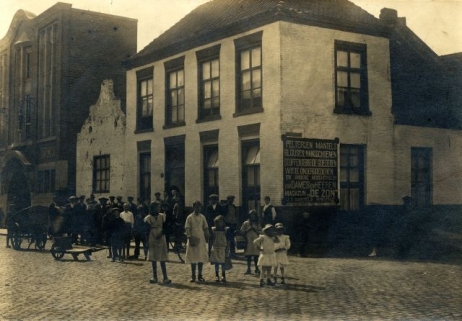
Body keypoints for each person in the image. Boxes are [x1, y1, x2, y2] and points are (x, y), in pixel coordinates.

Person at [144, 202, 171, 284]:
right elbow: (146, 230)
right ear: (153, 208)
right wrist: (146, 241)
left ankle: (165, 277)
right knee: (154, 258)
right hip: (152, 237)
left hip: (161, 236)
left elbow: (166, 227)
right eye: (157, 207)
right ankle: (154, 277)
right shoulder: (148, 218)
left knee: (162, 257)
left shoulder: (162, 216)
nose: (159, 209)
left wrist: (161, 233)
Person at [185, 201, 209, 282]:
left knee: (200, 256)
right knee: (193, 257)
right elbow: (187, 228)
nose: (198, 209)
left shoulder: (202, 217)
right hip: (192, 237)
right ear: (193, 207)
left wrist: (207, 234)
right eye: (196, 207)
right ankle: (193, 276)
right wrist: (189, 237)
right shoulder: (189, 217)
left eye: (199, 207)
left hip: (201, 238)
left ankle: (200, 275)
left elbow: (205, 227)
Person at [240, 210, 261, 275]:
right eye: (251, 215)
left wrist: (255, 230)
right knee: (248, 256)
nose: (252, 217)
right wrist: (248, 229)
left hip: (255, 240)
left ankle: (257, 268)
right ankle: (248, 269)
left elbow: (260, 231)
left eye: (254, 215)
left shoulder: (257, 223)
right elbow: (241, 231)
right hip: (248, 240)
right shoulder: (246, 223)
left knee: (256, 256)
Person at [209, 215, 229, 283]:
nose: (220, 223)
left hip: (222, 247)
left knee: (223, 262)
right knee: (216, 262)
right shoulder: (213, 230)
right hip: (215, 247)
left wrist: (227, 248)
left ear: (223, 223)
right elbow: (211, 240)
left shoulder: (225, 230)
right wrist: (209, 249)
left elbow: (228, 240)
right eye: (218, 222)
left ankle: (223, 275)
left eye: (221, 222)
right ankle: (217, 275)